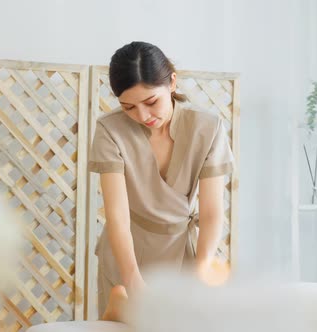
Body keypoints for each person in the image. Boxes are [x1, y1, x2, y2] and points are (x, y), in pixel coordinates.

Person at [88, 41, 235, 318]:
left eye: (151, 102)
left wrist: (201, 270)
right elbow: (117, 216)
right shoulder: (110, 130)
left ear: (172, 83)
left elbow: (213, 212)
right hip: (126, 254)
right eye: (128, 107)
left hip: (183, 253)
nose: (142, 116)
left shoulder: (208, 128)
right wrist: (131, 280)